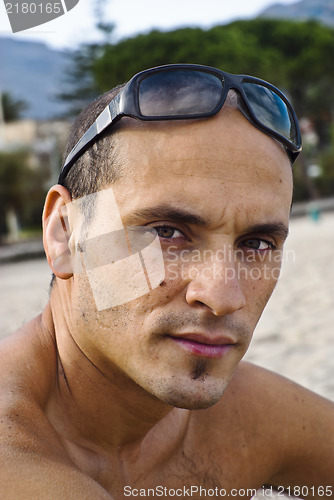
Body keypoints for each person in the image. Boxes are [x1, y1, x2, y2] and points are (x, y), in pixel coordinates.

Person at [0, 64, 333, 500]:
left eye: (256, 243)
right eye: (166, 232)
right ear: (64, 233)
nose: (223, 297)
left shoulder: (250, 419)